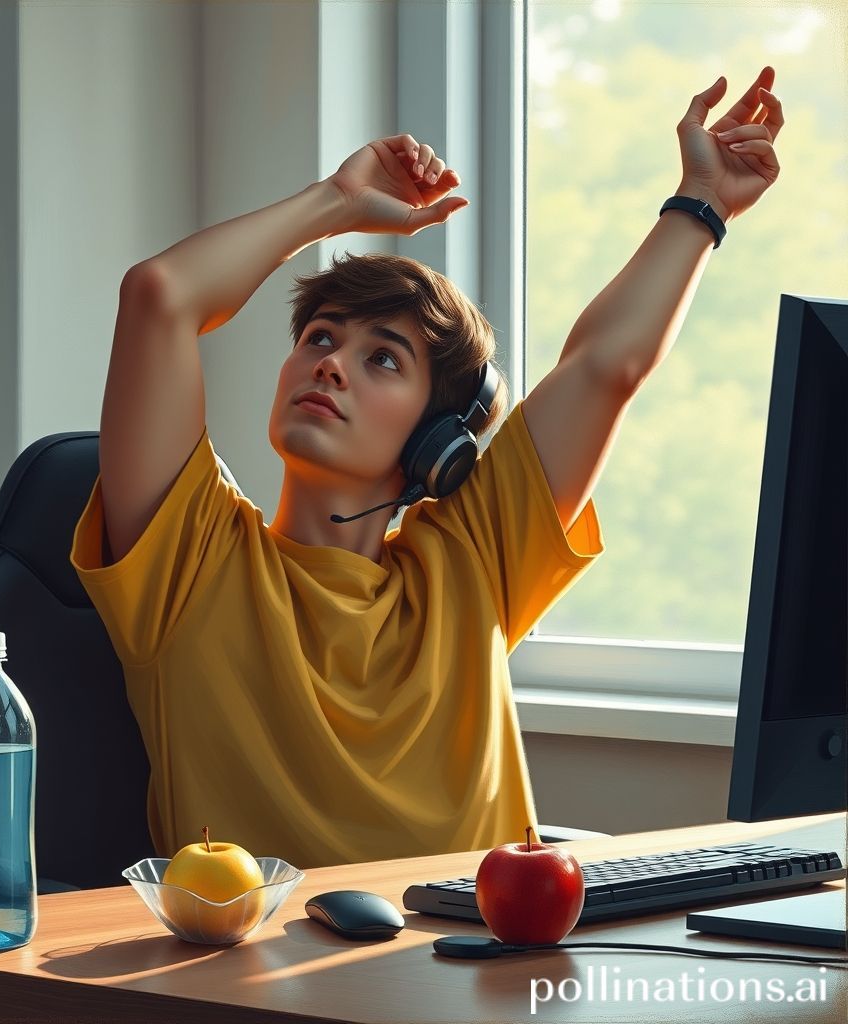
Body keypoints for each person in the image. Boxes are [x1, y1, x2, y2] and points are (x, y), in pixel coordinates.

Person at [70, 70, 782, 869]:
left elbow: (606, 365)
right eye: (320, 338)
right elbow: (160, 295)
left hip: (487, 967)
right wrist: (336, 202)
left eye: (382, 358)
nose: (332, 363)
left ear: (434, 438)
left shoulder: (471, 561)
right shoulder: (190, 560)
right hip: (264, 985)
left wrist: (704, 203)